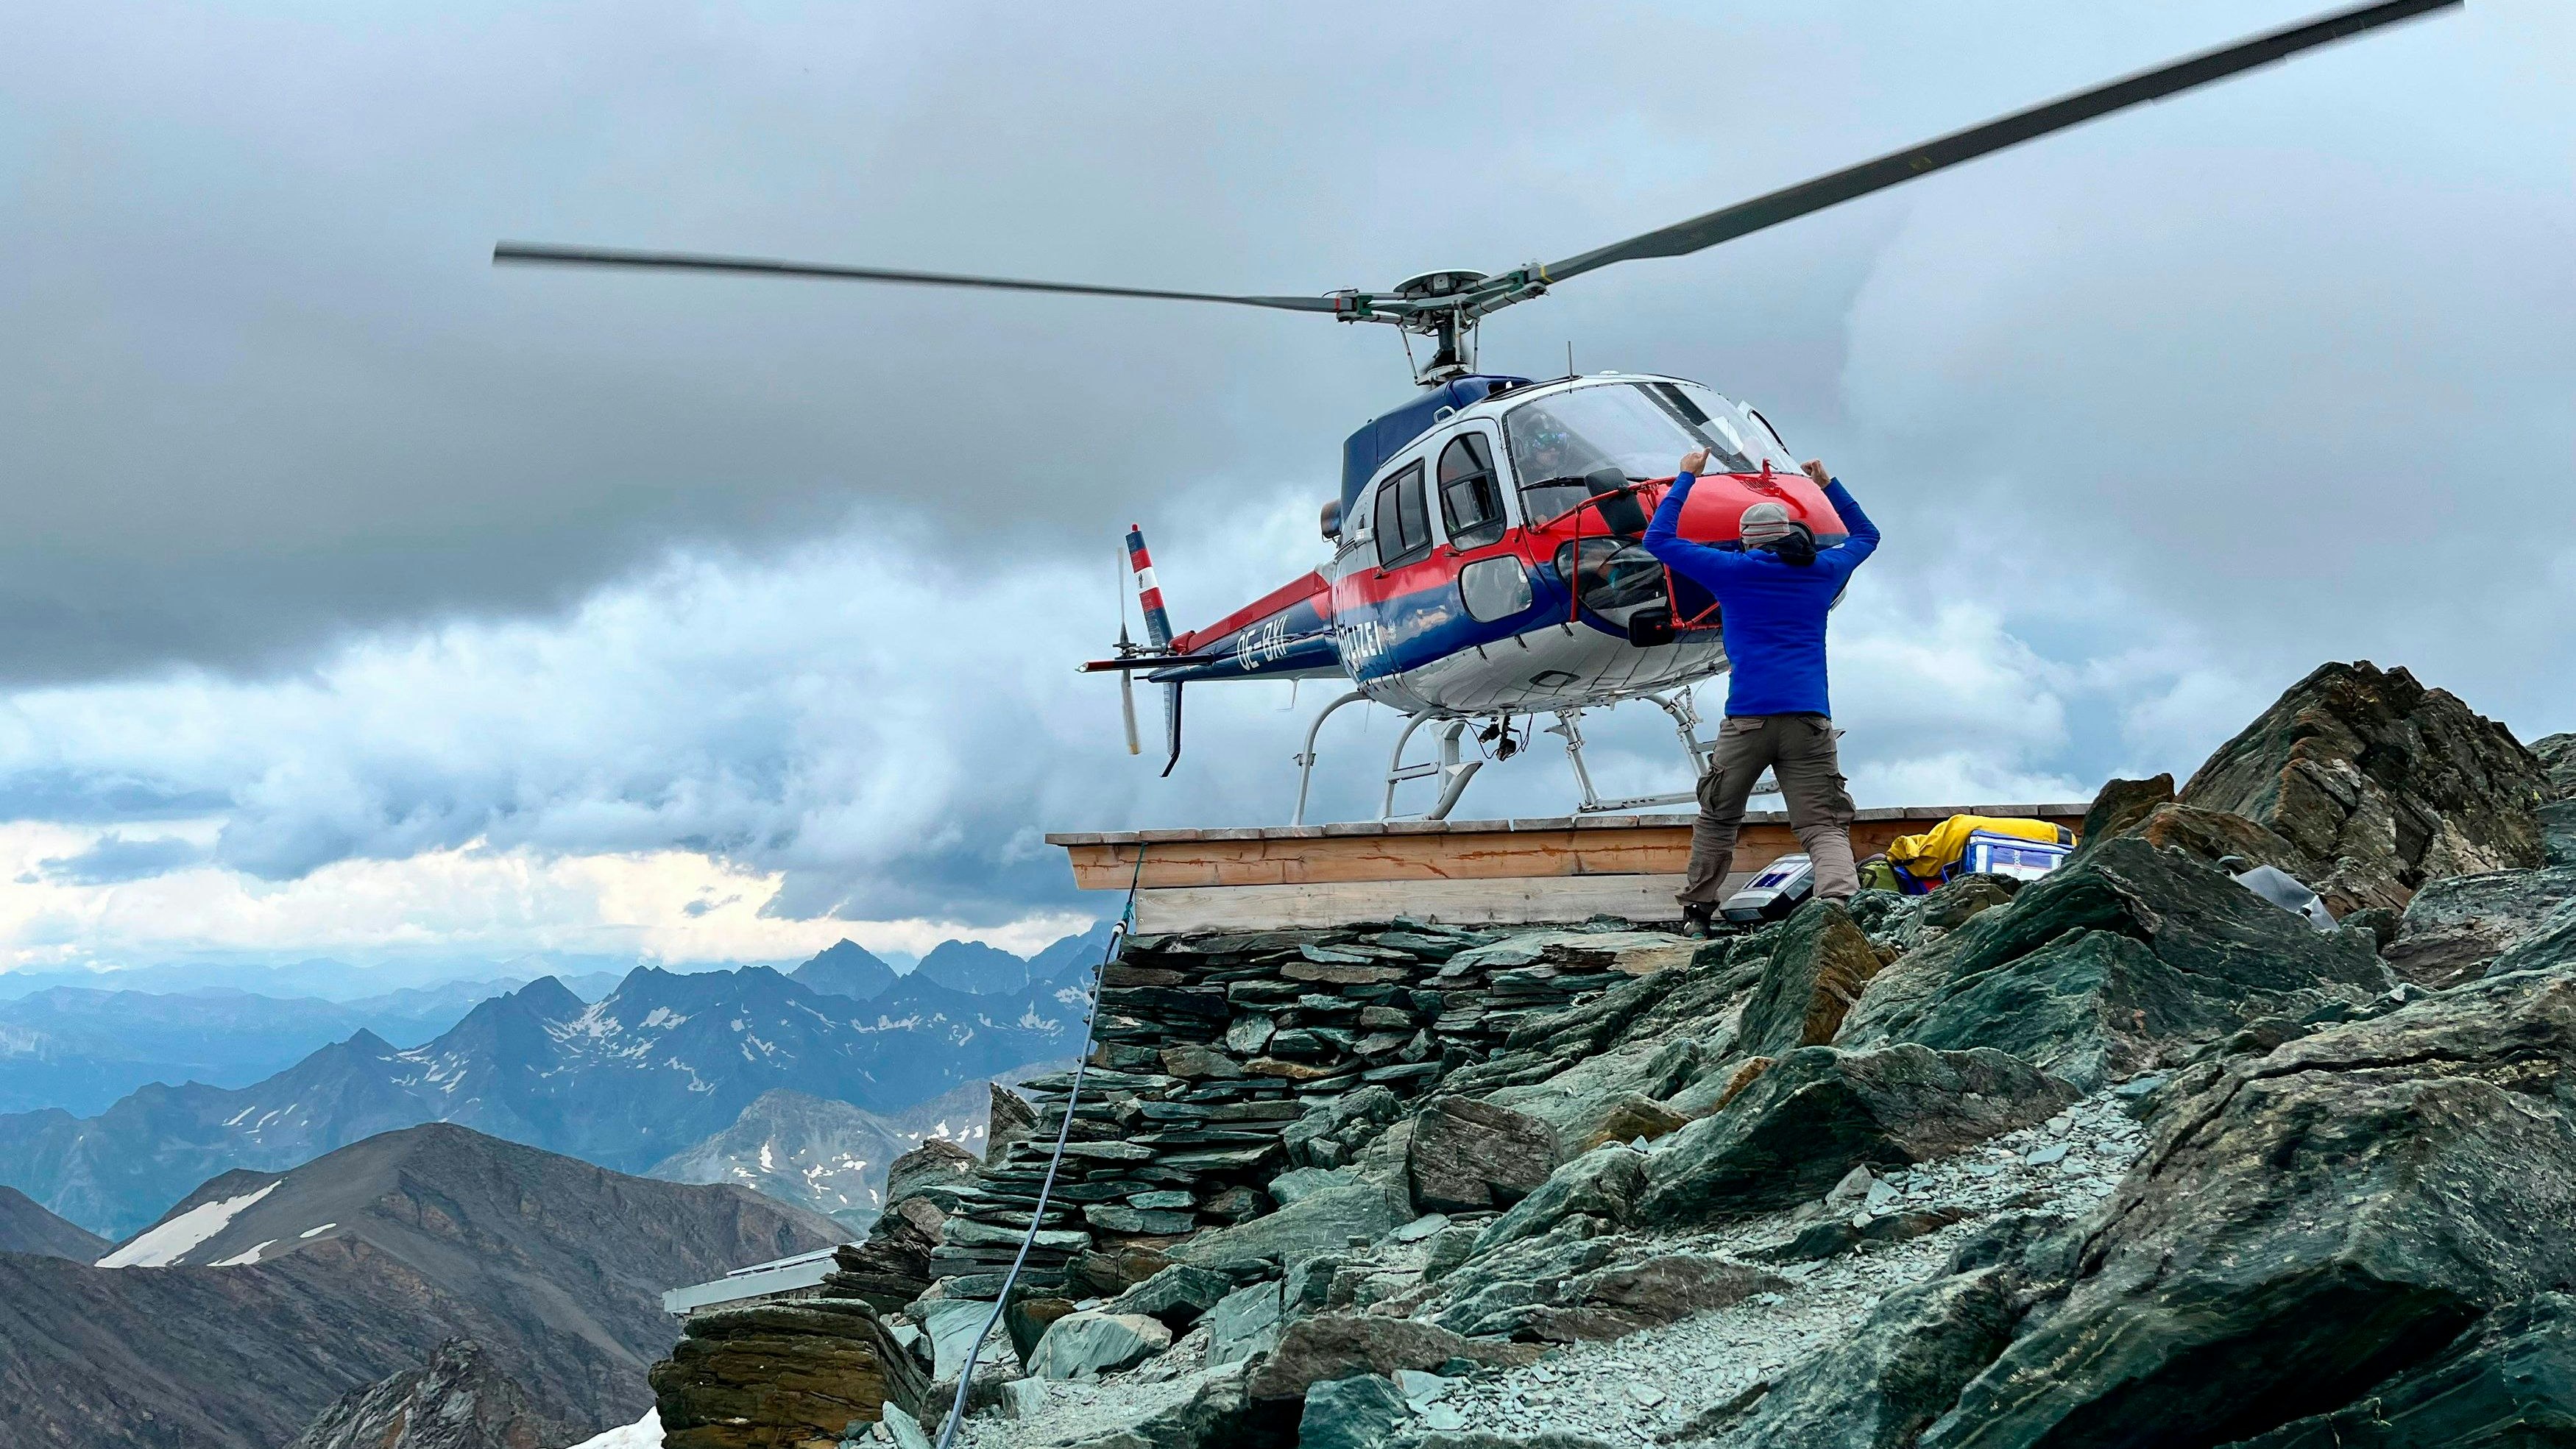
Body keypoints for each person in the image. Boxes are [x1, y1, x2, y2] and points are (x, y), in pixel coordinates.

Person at [1641, 451, 1881, 934]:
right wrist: (1827, 483)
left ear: (1746, 540)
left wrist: (1688, 475)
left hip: (1747, 718)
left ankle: (1697, 916)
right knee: (1822, 824)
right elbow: (1867, 536)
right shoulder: (1823, 570)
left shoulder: (1730, 570)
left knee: (1718, 817)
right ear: (1793, 535)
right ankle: (1839, 910)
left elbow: (1658, 538)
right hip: (1809, 719)